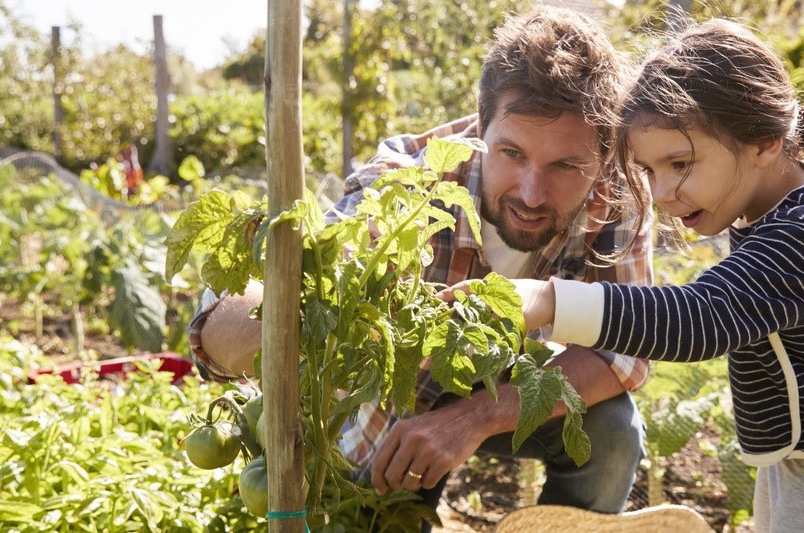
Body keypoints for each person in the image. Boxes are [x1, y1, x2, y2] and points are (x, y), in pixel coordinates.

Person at [188, 6, 654, 522]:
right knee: (371, 508)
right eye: (512, 153)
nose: (531, 192)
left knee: (612, 432)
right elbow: (263, 302)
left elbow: (624, 352)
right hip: (398, 414)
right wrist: (266, 324)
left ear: (603, 153)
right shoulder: (408, 183)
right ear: (481, 125)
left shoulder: (619, 196)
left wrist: (475, 416)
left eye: (566, 165)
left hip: (510, 389)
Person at [450, 19, 804, 532]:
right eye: (649, 170)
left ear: (765, 142)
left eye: (680, 163)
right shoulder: (778, 212)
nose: (660, 194)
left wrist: (551, 301)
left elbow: (700, 318)